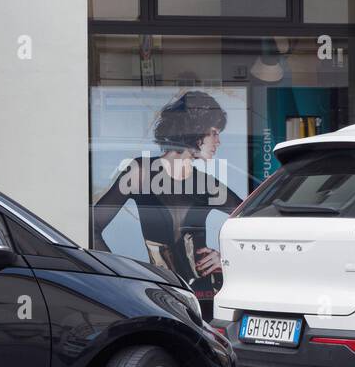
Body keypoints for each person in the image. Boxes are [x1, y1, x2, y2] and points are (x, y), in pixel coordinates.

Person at [92, 89, 243, 303]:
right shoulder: (141, 172)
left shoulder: (207, 183)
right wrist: (119, 276)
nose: (218, 141)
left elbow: (252, 223)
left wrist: (226, 259)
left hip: (206, 295)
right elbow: (92, 228)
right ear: (196, 130)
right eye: (214, 132)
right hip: (161, 295)